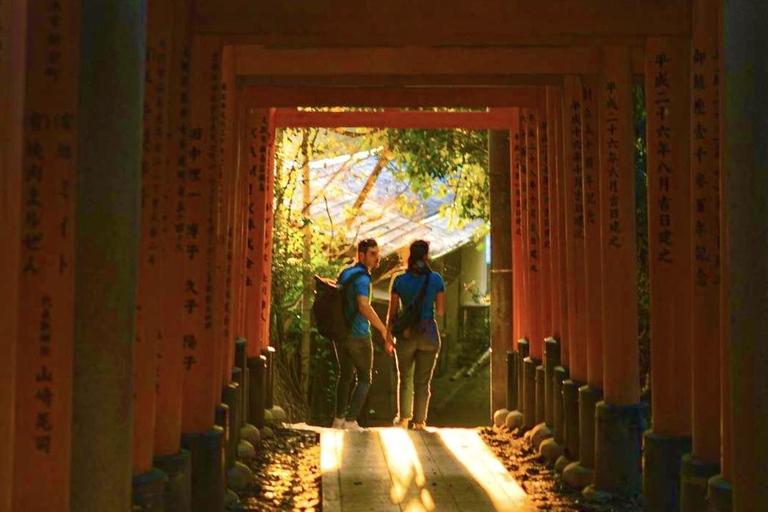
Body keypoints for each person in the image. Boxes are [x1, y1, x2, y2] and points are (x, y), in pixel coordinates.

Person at [332, 238, 395, 431]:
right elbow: (363, 306)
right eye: (372, 254)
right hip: (358, 335)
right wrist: (383, 329)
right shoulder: (363, 279)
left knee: (344, 375)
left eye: (378, 253)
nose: (377, 258)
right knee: (365, 379)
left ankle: (338, 419)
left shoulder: (345, 273)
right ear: (361, 256)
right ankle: (351, 420)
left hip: (341, 333)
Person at [387, 240, 445, 430]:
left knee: (405, 379)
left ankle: (403, 420)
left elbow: (393, 312)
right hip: (428, 333)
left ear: (410, 256)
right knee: (423, 381)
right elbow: (442, 310)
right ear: (426, 256)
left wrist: (389, 336)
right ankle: (419, 422)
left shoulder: (399, 280)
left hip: (406, 335)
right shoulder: (435, 279)